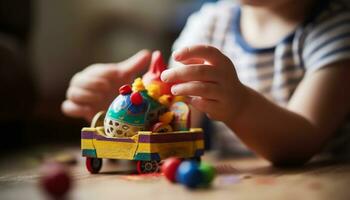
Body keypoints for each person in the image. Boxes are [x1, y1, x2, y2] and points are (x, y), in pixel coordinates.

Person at [62, 0, 350, 165]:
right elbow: (177, 118)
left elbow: (302, 141)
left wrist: (241, 106)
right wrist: (127, 109)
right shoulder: (209, 23)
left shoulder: (336, 27)